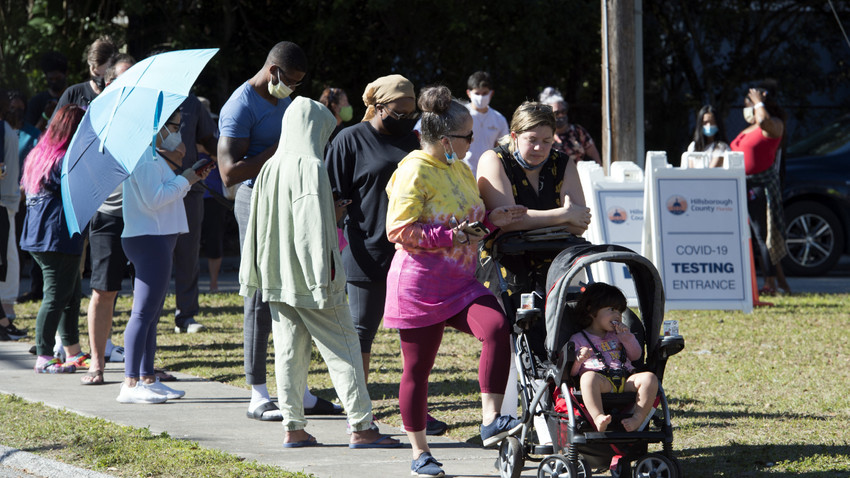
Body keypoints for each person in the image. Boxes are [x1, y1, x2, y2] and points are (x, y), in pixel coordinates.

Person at [240, 96, 401, 449]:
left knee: (288, 353)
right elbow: (311, 227)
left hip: (275, 275)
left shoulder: (270, 166)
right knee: (344, 348)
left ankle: (293, 427)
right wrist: (323, 275)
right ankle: (361, 425)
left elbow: (261, 224)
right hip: (313, 278)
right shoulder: (312, 166)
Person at [384, 85, 526, 478]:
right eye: (468, 136)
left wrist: (492, 222)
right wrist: (454, 236)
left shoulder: (461, 168)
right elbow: (398, 230)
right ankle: (420, 453)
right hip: (419, 287)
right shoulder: (414, 169)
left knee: (498, 326)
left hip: (461, 283)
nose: (474, 142)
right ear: (446, 140)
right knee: (418, 370)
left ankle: (491, 419)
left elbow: (471, 223)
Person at [218, 41, 341, 421]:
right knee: (259, 294)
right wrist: (275, 153)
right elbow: (228, 174)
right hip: (254, 203)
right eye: (289, 81)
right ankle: (256, 392)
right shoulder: (240, 106)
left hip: (288, 200)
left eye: (299, 84)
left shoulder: (283, 101)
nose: (293, 89)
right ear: (273, 72)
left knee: (295, 289)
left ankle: (297, 390)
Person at [326, 75, 449, 435]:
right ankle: (359, 414)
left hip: (412, 255)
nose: (407, 117)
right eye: (399, 111)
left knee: (415, 336)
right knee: (361, 334)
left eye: (412, 111)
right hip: (365, 251)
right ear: (378, 107)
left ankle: (416, 412)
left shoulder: (415, 141)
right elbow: (333, 197)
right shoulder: (350, 139)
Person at [476, 101, 590, 426]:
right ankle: (505, 418)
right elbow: (507, 221)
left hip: (556, 264)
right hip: (504, 263)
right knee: (511, 336)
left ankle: (559, 414)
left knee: (561, 334)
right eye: (531, 139)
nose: (539, 147)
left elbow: (580, 221)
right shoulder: (493, 159)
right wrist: (561, 216)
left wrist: (548, 219)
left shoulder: (562, 162)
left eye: (546, 140)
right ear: (514, 136)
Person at [116, 109, 210, 404]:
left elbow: (163, 193)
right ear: (157, 128)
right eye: (174, 126)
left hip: (157, 239)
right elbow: (155, 198)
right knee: (143, 312)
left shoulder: (153, 157)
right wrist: (186, 180)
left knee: (152, 314)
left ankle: (147, 378)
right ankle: (130, 382)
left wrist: (189, 177)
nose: (179, 131)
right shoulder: (144, 158)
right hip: (149, 240)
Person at [81, 52, 137, 385]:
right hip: (108, 213)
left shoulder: (149, 115)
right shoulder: (97, 115)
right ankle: (97, 363)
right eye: (124, 77)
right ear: (108, 80)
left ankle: (143, 365)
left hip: (145, 213)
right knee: (104, 291)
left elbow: (174, 152)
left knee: (148, 293)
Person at [19, 104, 88, 372]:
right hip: (56, 236)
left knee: (70, 294)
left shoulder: (41, 154)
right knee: (57, 295)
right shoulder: (66, 160)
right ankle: (44, 355)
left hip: (46, 235)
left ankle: (72, 352)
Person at [569, 283, 658, 433]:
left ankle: (638, 417)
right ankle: (598, 417)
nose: (617, 315)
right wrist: (578, 359)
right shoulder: (578, 338)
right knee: (588, 378)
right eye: (611, 310)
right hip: (601, 381)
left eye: (619, 311)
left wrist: (626, 337)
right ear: (591, 310)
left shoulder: (619, 336)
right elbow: (571, 373)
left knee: (649, 378)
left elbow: (636, 356)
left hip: (625, 378)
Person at [730, 83, 791, 295]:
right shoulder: (751, 128)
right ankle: (781, 283)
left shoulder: (773, 124)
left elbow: (764, 120)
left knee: (763, 236)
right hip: (740, 186)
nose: (748, 109)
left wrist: (758, 102)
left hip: (759, 187)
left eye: (750, 105)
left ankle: (771, 283)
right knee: (757, 236)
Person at [538, 87, 601, 166]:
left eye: (563, 111)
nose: (561, 115)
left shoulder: (578, 131)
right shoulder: (543, 136)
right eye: (556, 113)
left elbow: (594, 154)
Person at [54, 36, 117, 112]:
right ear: (90, 66)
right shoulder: (73, 94)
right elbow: (55, 123)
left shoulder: (119, 95)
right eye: (96, 74)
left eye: (105, 75)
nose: (100, 79)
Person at [464, 71, 509, 177]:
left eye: (484, 93)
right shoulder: (460, 115)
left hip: (489, 174)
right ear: (468, 93)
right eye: (477, 93)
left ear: (491, 93)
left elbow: (503, 150)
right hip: (462, 173)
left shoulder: (499, 119)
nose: (480, 97)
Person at [25, 51, 68, 132]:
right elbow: (30, 136)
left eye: (57, 78)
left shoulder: (75, 97)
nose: (54, 82)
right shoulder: (36, 102)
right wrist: (45, 116)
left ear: (66, 74)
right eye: (50, 79)